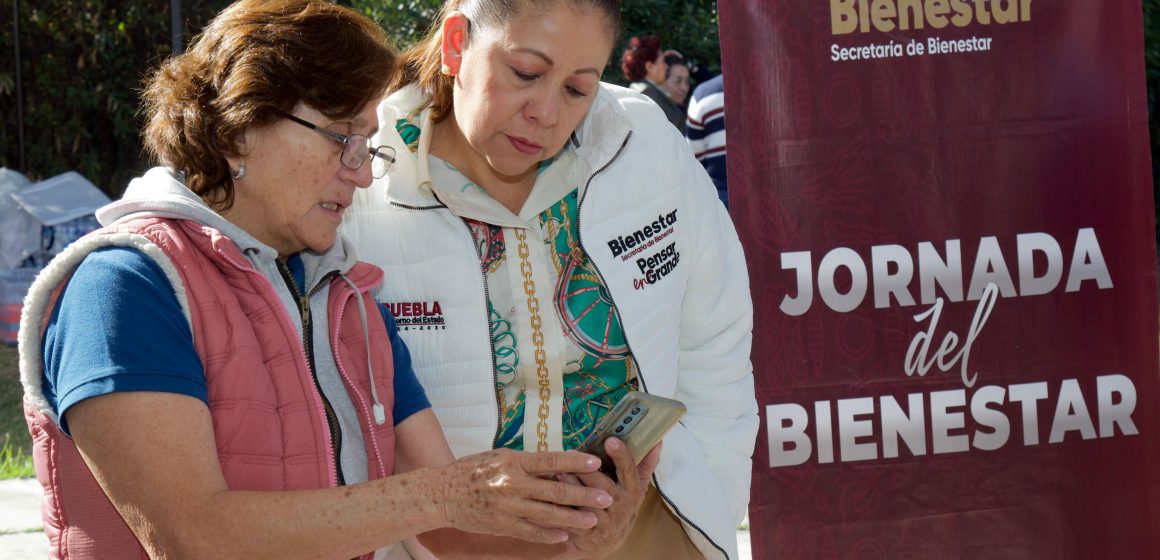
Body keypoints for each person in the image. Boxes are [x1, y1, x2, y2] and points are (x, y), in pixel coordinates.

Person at [18, 2, 622, 559]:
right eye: (342, 139)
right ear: (237, 125)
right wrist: (442, 494)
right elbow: (195, 537)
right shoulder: (125, 285)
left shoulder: (349, 296)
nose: (361, 175)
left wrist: (585, 533)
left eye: (369, 145)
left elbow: (449, 533)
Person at [342, 0, 759, 558]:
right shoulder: (361, 181)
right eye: (526, 74)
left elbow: (715, 340)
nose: (547, 113)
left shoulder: (644, 145)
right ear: (455, 45)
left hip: (651, 530)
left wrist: (712, 504)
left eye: (578, 89)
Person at [621, 35, 687, 133]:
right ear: (650, 66)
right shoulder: (648, 96)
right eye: (663, 61)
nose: (666, 66)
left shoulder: (641, 91)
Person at [686, 74, 728, 207]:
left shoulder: (702, 94)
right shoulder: (782, 82)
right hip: (777, 190)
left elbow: (694, 156)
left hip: (721, 194)